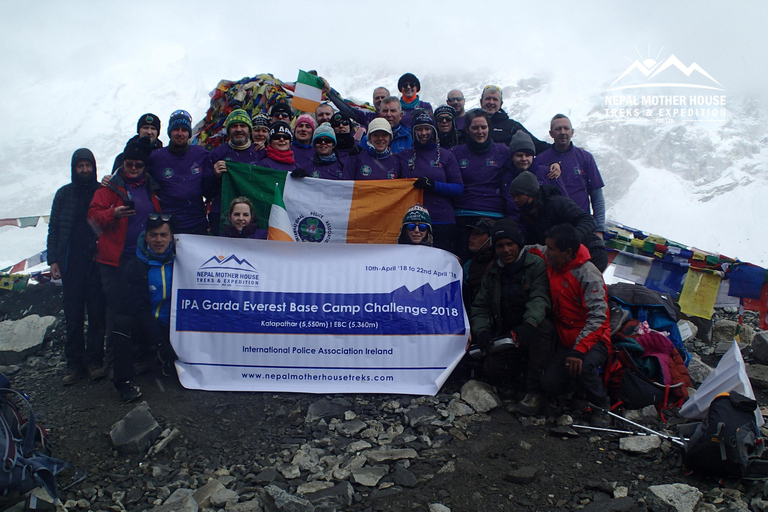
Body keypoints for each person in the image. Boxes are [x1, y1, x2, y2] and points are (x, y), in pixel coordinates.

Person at [88, 137, 161, 373]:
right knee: (117, 311)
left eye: (138, 165)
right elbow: (92, 217)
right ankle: (114, 363)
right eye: (129, 163)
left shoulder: (151, 186)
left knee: (140, 307)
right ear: (122, 163)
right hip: (114, 260)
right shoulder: (109, 188)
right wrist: (113, 213)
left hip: (142, 259)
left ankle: (139, 359)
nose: (133, 169)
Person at [470, 219, 553, 414]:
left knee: (544, 329)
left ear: (519, 244)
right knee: (491, 367)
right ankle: (512, 384)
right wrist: (481, 331)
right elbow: (480, 305)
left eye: (510, 244)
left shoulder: (536, 265)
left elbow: (540, 297)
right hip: (506, 332)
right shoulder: (492, 272)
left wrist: (530, 323)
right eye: (500, 245)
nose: (505, 250)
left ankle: (533, 391)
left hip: (530, 328)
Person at [536, 223, 612, 426]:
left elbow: (599, 317)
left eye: (551, 249)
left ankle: (601, 405)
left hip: (594, 339)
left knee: (584, 367)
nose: (547, 252)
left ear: (567, 252)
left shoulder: (587, 274)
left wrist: (579, 350)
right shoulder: (553, 260)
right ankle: (574, 395)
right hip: (565, 339)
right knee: (549, 382)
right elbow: (532, 249)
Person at [48, 148, 106, 385]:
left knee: (96, 315)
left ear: (94, 167)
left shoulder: (102, 193)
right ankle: (74, 365)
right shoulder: (64, 194)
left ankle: (94, 362)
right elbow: (54, 228)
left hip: (96, 263)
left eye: (87, 166)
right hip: (71, 264)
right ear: (74, 169)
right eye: (79, 166)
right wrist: (53, 260)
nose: (84, 170)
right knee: (72, 317)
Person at [111, 214, 179, 402]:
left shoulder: (183, 260)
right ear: (146, 237)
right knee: (121, 324)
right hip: (148, 324)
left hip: (174, 324)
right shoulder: (135, 266)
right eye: (153, 235)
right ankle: (124, 383)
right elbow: (138, 308)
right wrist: (159, 342)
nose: (159, 240)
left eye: (163, 235)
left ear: (172, 236)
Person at [509, 171, 608, 272]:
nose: (516, 200)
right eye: (513, 196)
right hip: (564, 258)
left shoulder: (557, 203)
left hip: (591, 252)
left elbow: (588, 220)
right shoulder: (527, 215)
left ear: (530, 193)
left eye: (519, 195)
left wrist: (571, 240)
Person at [399, 111, 463, 254]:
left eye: (427, 129)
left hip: (441, 220)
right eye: (419, 129)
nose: (423, 133)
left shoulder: (447, 155)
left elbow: (458, 189)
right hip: (413, 224)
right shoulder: (403, 156)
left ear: (434, 130)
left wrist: (433, 185)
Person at [534, 114, 606, 237]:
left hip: (581, 226)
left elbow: (596, 195)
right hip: (553, 228)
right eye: (558, 129)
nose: (563, 132)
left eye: (566, 128)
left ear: (572, 132)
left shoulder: (585, 158)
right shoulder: (540, 160)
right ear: (551, 134)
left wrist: (599, 229)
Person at [451, 109, 509, 260]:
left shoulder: (502, 151)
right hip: (464, 214)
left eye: (483, 127)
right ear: (467, 130)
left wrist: (553, 165)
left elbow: (525, 161)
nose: (480, 131)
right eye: (475, 128)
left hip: (493, 214)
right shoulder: (456, 152)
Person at [146, 110, 209, 235]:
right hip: (166, 226)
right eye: (176, 129)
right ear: (169, 132)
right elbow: (135, 176)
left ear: (189, 133)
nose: (180, 133)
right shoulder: (155, 157)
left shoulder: (201, 154)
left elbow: (212, 186)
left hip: (197, 226)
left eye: (184, 130)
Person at [201, 109, 263, 234]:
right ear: (228, 130)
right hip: (222, 218)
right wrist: (215, 176)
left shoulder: (260, 153)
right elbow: (206, 192)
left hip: (252, 219)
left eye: (243, 126)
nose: (239, 129)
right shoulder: (216, 155)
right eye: (234, 126)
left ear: (249, 130)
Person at [502, 131, 564, 221]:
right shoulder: (507, 178)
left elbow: (563, 199)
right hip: (517, 225)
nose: (524, 159)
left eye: (527, 155)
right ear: (512, 157)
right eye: (519, 155)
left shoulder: (548, 173)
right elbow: (511, 206)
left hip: (546, 224)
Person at [480, 85, 549, 153]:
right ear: (481, 102)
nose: (491, 102)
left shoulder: (512, 126)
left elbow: (537, 145)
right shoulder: (471, 123)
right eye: (488, 98)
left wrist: (557, 150)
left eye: (495, 99)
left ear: (501, 104)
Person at [461, 218, 495, 316]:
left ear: (491, 237)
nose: (472, 237)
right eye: (472, 233)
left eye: (478, 233)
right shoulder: (468, 265)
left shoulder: (500, 264)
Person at [321, 78, 387, 127]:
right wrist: (329, 92)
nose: (380, 100)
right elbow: (348, 110)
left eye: (383, 97)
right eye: (377, 98)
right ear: (373, 101)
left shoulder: (396, 116)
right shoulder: (368, 116)